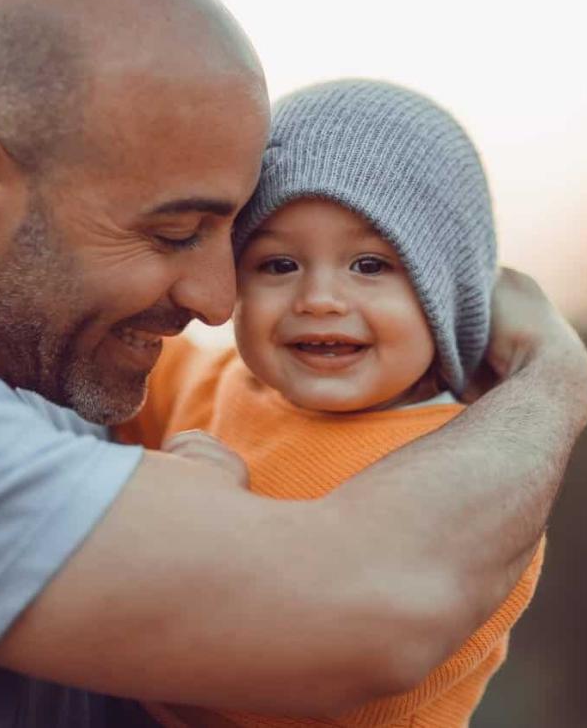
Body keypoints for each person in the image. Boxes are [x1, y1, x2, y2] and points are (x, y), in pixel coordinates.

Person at [0, 0, 587, 727]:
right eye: (173, 233)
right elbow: (376, 602)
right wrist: (552, 374)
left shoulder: (12, 372)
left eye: (231, 237)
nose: (219, 301)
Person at [119, 78, 544, 728]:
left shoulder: (470, 476)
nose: (320, 298)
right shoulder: (222, 382)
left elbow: (339, 687)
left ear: (448, 291)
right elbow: (103, 369)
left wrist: (204, 517)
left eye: (370, 266)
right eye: (278, 265)